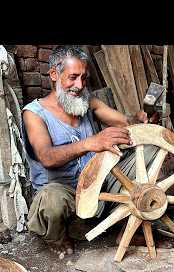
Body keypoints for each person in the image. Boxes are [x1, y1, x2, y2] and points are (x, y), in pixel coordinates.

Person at [21, 45, 159, 257]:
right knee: (50, 200)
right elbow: (47, 157)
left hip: (97, 182)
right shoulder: (34, 113)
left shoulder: (88, 101)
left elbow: (126, 122)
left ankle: (124, 229)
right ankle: (57, 236)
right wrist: (89, 143)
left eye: (84, 78)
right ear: (54, 75)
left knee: (150, 151)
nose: (80, 85)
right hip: (64, 192)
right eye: (73, 77)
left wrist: (139, 119)